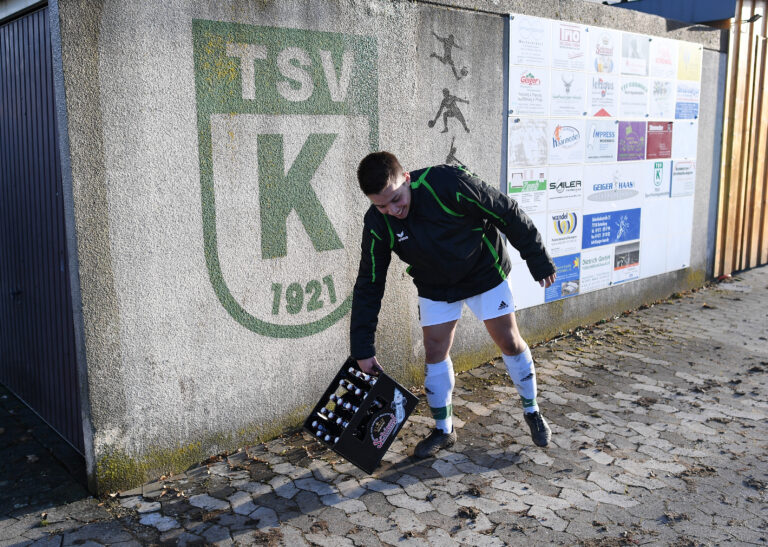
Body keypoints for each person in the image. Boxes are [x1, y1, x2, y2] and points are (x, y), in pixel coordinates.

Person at [350, 152, 557, 458]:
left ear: (406, 179)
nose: (392, 210)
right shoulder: (377, 222)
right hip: (435, 283)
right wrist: (362, 349)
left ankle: (532, 410)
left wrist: (538, 260)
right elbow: (369, 283)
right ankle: (444, 429)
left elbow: (506, 211)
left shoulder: (448, 183)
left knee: (509, 342)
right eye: (381, 204)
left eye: (396, 198)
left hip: (484, 272)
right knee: (434, 351)